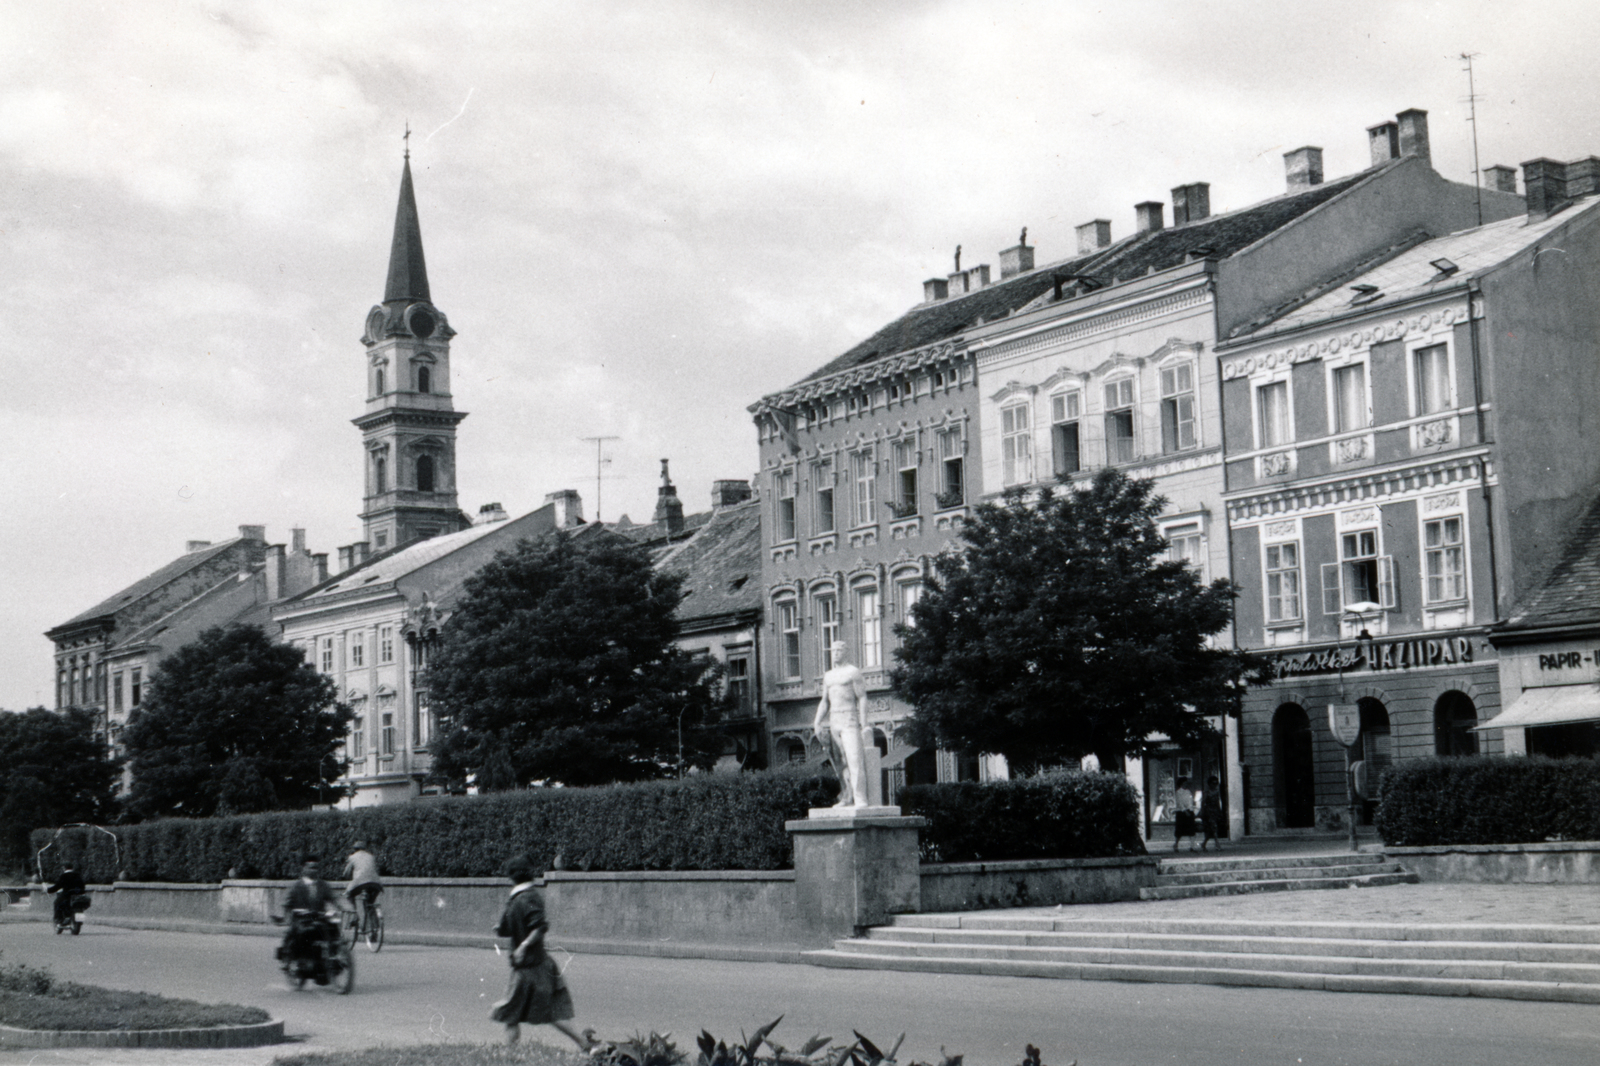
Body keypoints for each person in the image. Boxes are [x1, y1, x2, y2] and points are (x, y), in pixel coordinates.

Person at [491, 854, 591, 1049]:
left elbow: (539, 927)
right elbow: (509, 927)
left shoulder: (522, 899)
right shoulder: (524, 897)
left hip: (529, 967)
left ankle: (582, 1043)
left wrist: (523, 945)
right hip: (533, 964)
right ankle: (583, 1043)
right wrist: (503, 929)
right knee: (529, 1014)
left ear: (511, 877)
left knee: (517, 1014)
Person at [813, 640, 870, 808]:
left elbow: (862, 697)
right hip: (834, 720)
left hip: (849, 718)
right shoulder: (828, 676)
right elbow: (824, 701)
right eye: (833, 651)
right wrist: (817, 721)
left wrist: (864, 723)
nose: (835, 653)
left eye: (838, 650)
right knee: (838, 762)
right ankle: (846, 796)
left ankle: (860, 798)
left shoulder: (853, 672)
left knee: (854, 758)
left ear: (846, 652)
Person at [279, 856, 342, 978]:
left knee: (333, 929)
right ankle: (299, 963)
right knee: (302, 933)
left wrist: (343, 906)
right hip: (301, 920)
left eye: (316, 867)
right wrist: (283, 916)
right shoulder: (296, 886)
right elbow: (286, 903)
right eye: (311, 867)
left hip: (319, 918)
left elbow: (335, 898)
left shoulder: (323, 885)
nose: (314, 870)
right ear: (304, 868)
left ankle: (332, 958)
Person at [342, 840, 383, 931]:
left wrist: (349, 875)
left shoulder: (352, 857)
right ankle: (374, 927)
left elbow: (346, 873)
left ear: (355, 849)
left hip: (361, 881)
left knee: (348, 895)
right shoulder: (371, 856)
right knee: (370, 903)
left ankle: (354, 915)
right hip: (376, 883)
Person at [47, 862, 87, 928]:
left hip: (67, 896)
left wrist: (48, 890)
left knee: (57, 903)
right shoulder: (78, 875)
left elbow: (57, 886)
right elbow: (83, 885)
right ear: (72, 868)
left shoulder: (63, 876)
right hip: (79, 895)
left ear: (64, 868)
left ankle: (59, 920)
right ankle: (74, 920)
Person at [1172, 777, 1198, 853]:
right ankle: (1176, 844)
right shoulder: (1178, 792)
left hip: (1190, 811)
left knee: (1191, 830)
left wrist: (1192, 810)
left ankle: (1192, 846)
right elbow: (1179, 803)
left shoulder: (1188, 791)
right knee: (1180, 831)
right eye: (1184, 783)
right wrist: (1185, 811)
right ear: (1181, 783)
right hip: (1181, 813)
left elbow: (1190, 802)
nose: (1186, 784)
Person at [1200, 775, 1225, 851]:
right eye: (1213, 783)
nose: (1215, 785)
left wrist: (1219, 811)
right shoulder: (1207, 792)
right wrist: (1202, 811)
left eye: (1216, 783)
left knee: (1211, 830)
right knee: (1214, 828)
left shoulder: (1217, 792)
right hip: (1209, 811)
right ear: (1209, 784)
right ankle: (1217, 845)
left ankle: (1204, 843)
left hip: (1215, 811)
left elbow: (1217, 802)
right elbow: (1203, 802)